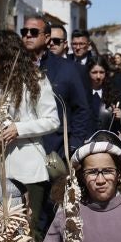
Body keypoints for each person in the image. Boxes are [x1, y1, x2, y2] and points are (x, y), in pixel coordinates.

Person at [0, 29, 59, 239]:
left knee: (28, 228)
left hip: (29, 167)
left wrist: (19, 129)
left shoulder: (36, 79)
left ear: (5, 51)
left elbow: (52, 120)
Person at [29, 16, 93, 157]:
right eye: (50, 40)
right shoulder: (28, 66)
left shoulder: (74, 70)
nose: (52, 44)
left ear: (65, 44)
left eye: (56, 41)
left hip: (60, 147)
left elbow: (83, 110)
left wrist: (74, 145)